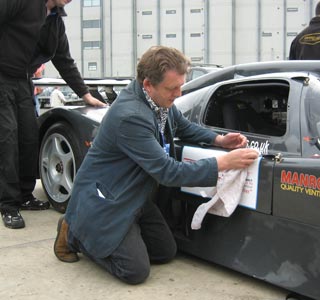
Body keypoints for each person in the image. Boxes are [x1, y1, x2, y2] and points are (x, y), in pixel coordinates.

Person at [53, 46, 259, 284]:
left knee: (165, 252)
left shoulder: (156, 100)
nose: (179, 94)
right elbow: (168, 172)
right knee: (135, 271)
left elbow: (181, 126)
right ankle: (74, 232)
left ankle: (122, 232)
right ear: (148, 84)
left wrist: (219, 140)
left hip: (133, 194)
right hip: (107, 200)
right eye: (172, 88)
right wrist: (223, 163)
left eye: (181, 85)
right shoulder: (131, 116)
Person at [0, 0, 105, 229]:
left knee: (29, 137)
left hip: (22, 81)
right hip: (2, 77)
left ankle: (25, 195)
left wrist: (85, 94)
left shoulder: (55, 21)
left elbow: (64, 60)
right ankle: (8, 205)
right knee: (7, 138)